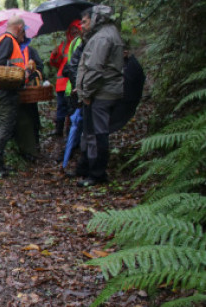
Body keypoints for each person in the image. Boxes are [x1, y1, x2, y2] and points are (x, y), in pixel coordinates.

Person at [74, 5, 123, 186]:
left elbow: (95, 68)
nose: (83, 25)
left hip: (101, 93)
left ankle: (97, 174)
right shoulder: (106, 33)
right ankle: (86, 168)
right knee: (91, 132)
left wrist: (86, 92)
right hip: (102, 91)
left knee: (97, 133)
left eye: (85, 21)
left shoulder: (103, 37)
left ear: (96, 19)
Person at [0, 15, 26, 176]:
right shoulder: (8, 40)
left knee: (2, 125)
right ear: (19, 27)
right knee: (4, 126)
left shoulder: (7, 40)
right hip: (6, 90)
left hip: (5, 89)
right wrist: (17, 72)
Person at [48, 20, 82, 138]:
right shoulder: (63, 45)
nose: (74, 31)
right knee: (61, 107)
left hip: (72, 82)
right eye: (72, 29)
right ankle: (59, 130)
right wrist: (54, 54)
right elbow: (55, 63)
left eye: (76, 28)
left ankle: (70, 132)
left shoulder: (81, 43)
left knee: (72, 108)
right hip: (62, 83)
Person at [14, 37, 44, 162]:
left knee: (32, 118)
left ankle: (34, 146)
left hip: (30, 92)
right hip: (15, 91)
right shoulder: (10, 51)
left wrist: (30, 74)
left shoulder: (30, 51)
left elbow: (40, 67)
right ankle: (22, 148)